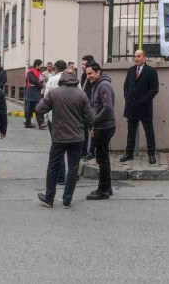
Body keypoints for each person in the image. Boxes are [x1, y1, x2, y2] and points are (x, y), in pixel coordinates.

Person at [35, 71, 94, 208]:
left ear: (62, 80)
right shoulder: (82, 94)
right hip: (77, 137)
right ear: (75, 80)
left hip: (59, 137)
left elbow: (39, 109)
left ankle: (49, 198)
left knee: (53, 167)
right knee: (73, 168)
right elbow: (90, 117)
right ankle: (67, 199)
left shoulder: (54, 93)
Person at [121, 50, 159, 164]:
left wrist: (143, 100)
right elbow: (126, 85)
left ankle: (151, 154)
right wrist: (127, 97)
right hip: (131, 106)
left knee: (149, 131)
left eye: (139, 56)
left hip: (144, 107)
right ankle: (129, 154)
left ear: (144, 57)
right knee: (131, 131)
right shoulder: (131, 70)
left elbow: (154, 89)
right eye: (135, 56)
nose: (136, 58)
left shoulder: (151, 71)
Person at [85, 62, 116, 200]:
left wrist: (95, 122)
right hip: (101, 126)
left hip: (104, 127)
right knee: (103, 158)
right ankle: (107, 187)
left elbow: (108, 108)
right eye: (87, 74)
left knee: (102, 159)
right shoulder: (97, 85)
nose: (88, 76)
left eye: (90, 73)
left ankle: (102, 190)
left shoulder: (103, 85)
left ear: (98, 72)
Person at [44, 60, 77, 184]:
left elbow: (46, 101)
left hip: (55, 119)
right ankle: (72, 177)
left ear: (56, 69)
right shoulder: (75, 81)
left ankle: (60, 177)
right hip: (72, 119)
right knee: (72, 149)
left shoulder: (52, 81)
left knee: (58, 147)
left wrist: (46, 116)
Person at [80, 55, 96, 161]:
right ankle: (83, 151)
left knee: (93, 130)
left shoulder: (94, 75)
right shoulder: (83, 75)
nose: (81, 66)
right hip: (84, 107)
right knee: (84, 130)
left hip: (92, 107)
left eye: (83, 64)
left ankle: (92, 151)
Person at [25, 59, 46, 129]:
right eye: (40, 65)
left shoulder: (39, 72)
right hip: (32, 91)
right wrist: (40, 85)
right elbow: (33, 80)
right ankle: (39, 123)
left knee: (33, 108)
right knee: (34, 107)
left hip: (36, 91)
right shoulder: (31, 72)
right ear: (37, 65)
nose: (41, 66)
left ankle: (29, 123)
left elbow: (40, 79)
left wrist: (41, 83)